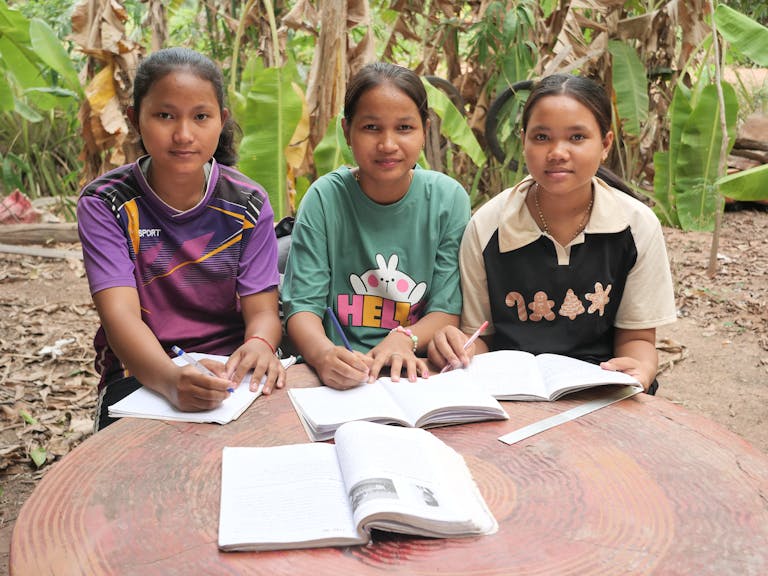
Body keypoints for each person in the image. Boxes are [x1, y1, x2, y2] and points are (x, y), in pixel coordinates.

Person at [77, 47, 285, 431]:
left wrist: (259, 344)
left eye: (201, 116)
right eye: (164, 115)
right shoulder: (107, 202)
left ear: (221, 121)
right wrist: (170, 381)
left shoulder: (248, 202)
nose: (184, 134)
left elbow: (263, 312)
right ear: (134, 119)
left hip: (231, 372)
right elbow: (120, 316)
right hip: (141, 372)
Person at [428, 74, 676, 393]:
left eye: (576, 137)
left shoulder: (637, 225)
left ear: (605, 144)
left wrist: (640, 368)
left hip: (602, 390)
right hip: (510, 392)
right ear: (524, 141)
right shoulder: (488, 225)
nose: (557, 152)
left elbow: (637, 338)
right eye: (542, 137)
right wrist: (456, 351)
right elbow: (480, 339)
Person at [282, 62, 471, 390]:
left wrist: (404, 338)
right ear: (347, 131)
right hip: (337, 378)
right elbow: (302, 308)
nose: (387, 144)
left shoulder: (448, 199)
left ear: (424, 131)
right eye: (371, 128)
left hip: (414, 376)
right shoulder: (325, 199)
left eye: (404, 128)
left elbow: (446, 311)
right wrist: (324, 354)